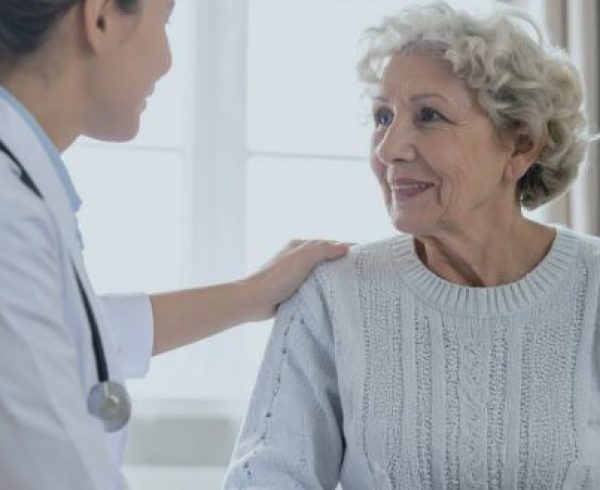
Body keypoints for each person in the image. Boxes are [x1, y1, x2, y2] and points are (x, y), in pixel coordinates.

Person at [224, 3, 600, 488]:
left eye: (429, 116)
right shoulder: (333, 294)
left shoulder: (593, 287)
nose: (388, 148)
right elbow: (267, 477)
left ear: (521, 144)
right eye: (382, 117)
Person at [0, 0, 350, 488]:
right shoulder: (10, 213)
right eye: (164, 21)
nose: (167, 60)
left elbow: (77, 330)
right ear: (99, 18)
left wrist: (253, 294)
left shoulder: (21, 191)